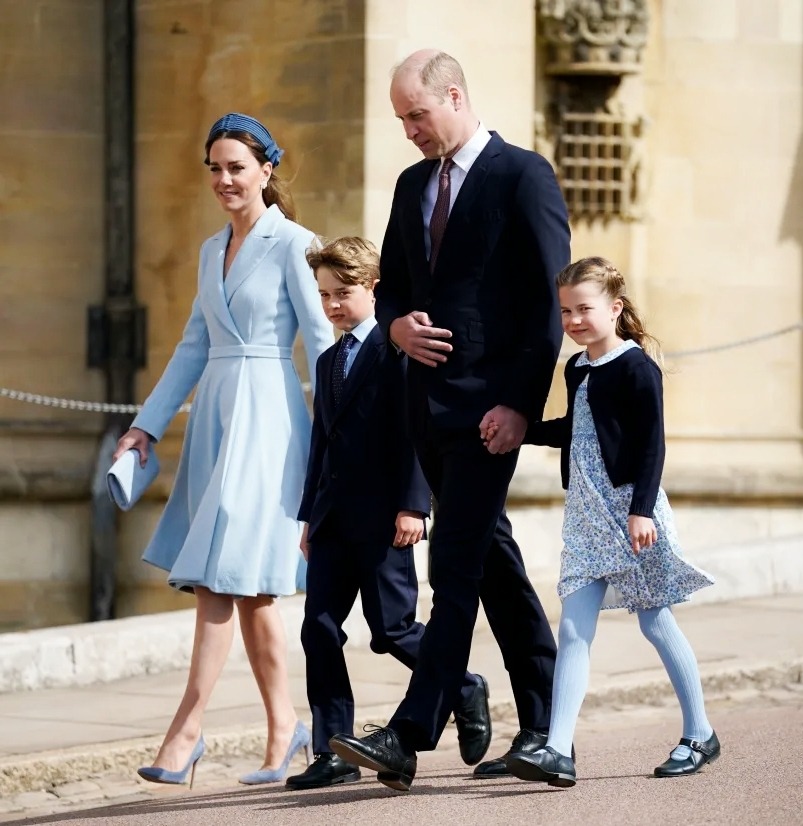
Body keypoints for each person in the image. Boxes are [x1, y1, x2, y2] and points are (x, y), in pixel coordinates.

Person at [328, 50, 571, 791]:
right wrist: (395, 328)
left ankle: (409, 733)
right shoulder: (410, 186)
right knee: (490, 558)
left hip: (490, 415)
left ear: (455, 97)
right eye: (400, 118)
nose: (406, 131)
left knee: (456, 564)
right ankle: (545, 723)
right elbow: (394, 291)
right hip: (425, 414)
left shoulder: (522, 176)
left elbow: (547, 304)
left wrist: (520, 407)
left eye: (416, 115)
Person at [113, 113, 335, 788]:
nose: (223, 179)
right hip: (216, 417)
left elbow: (324, 345)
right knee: (251, 591)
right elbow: (192, 345)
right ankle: (284, 727)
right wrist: (144, 427)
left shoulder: (298, 245)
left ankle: (185, 732)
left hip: (269, 422)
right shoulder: (212, 251)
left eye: (236, 166)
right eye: (214, 167)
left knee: (219, 576)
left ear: (267, 169)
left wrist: (341, 438)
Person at [485, 256, 718, 788]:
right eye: (565, 311)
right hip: (587, 513)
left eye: (584, 309)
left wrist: (640, 511)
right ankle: (559, 751)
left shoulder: (637, 367)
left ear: (614, 308)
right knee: (571, 629)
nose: (573, 321)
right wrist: (524, 430)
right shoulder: (578, 368)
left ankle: (700, 733)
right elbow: (578, 429)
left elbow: (651, 444)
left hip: (631, 512)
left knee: (655, 621)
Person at [286, 236, 491, 791]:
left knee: (393, 630)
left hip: (385, 520)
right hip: (331, 520)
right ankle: (334, 749)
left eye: (342, 293)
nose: (330, 305)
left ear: (374, 289)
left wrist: (413, 505)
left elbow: (415, 436)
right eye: (323, 294)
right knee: (318, 631)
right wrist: (308, 517)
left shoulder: (398, 354)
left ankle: (463, 685)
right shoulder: (328, 361)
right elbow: (320, 446)